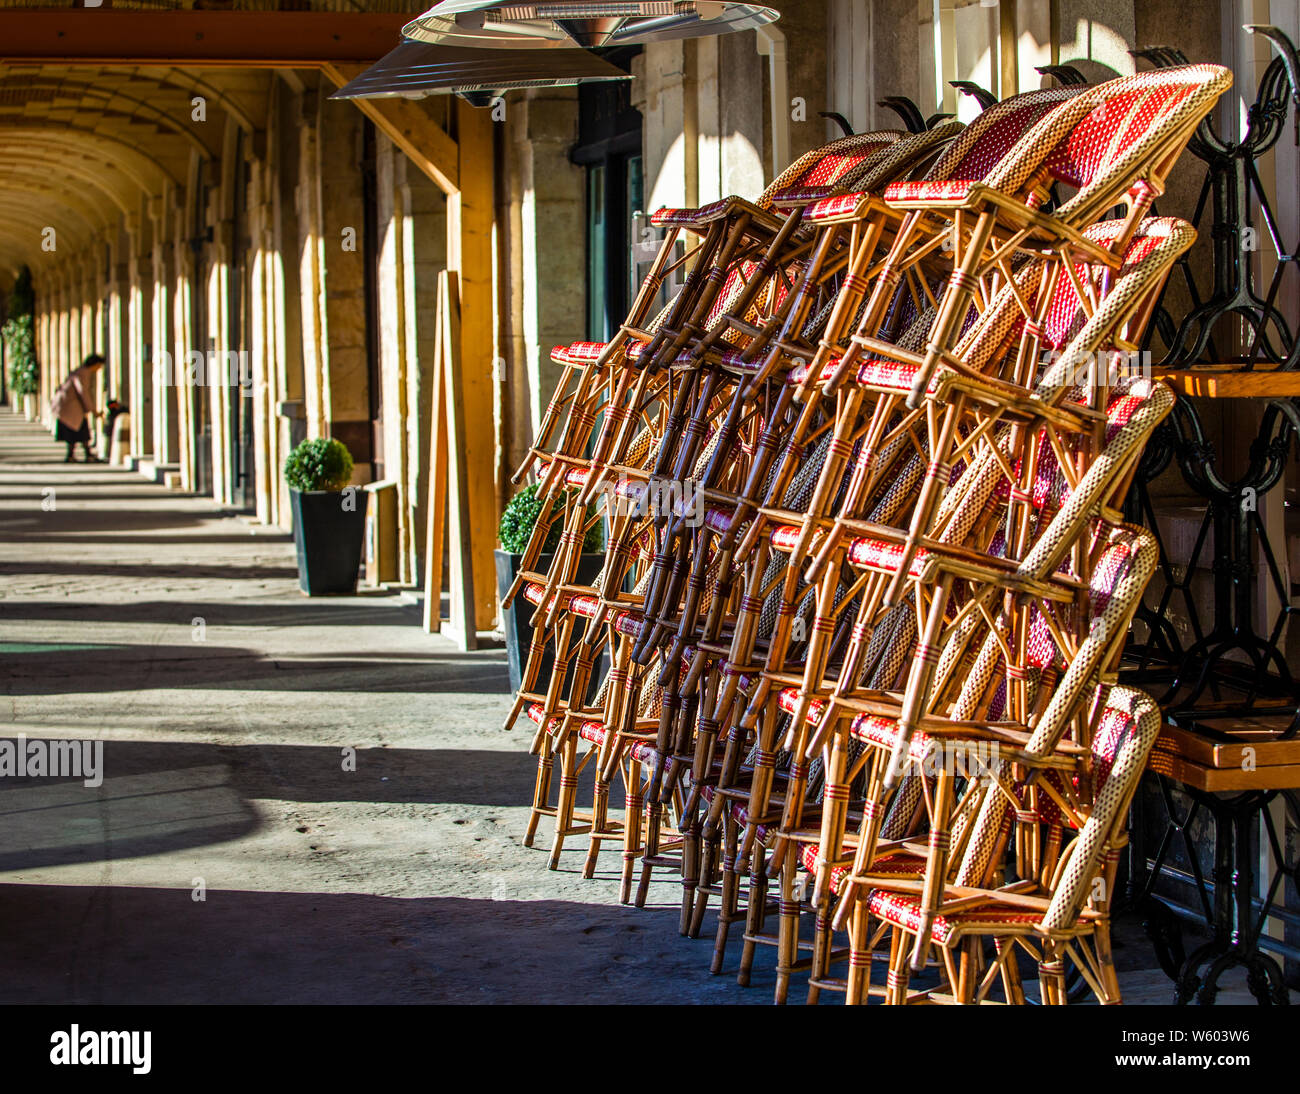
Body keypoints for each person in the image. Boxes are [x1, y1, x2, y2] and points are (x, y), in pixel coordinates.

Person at [50, 354, 105, 463]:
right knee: (78, 430)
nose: (99, 369)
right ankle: (84, 454)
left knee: (77, 431)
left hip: (70, 406)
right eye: (99, 366)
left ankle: (77, 454)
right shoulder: (83, 373)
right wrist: (93, 410)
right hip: (70, 406)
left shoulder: (81, 371)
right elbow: (83, 392)